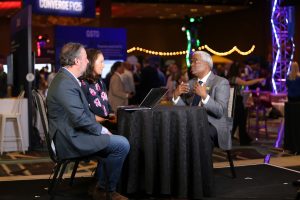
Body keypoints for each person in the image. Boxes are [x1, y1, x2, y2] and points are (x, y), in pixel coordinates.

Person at [46, 43, 130, 200]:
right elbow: (80, 118)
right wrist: (102, 130)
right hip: (69, 139)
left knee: (116, 141)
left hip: (70, 133)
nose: (87, 62)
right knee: (122, 144)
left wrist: (101, 129)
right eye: (85, 59)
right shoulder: (65, 83)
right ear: (77, 61)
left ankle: (101, 186)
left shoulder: (66, 79)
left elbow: (82, 115)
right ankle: (107, 191)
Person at [173, 51, 231, 150]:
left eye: (195, 61)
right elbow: (186, 110)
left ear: (207, 64)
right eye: (191, 62)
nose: (191, 64)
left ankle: (201, 165)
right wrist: (176, 96)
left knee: (200, 132)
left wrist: (204, 96)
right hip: (193, 122)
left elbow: (220, 111)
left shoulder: (221, 82)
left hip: (214, 124)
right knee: (174, 128)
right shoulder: (191, 83)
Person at [227, 62, 266, 145]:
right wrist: (258, 80)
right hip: (237, 101)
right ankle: (242, 140)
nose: (242, 70)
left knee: (236, 121)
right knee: (240, 121)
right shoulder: (235, 79)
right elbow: (246, 83)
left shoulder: (230, 78)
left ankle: (236, 139)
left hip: (233, 100)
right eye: (240, 69)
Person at [80, 48, 117, 132]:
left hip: (106, 124)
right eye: (101, 62)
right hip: (94, 128)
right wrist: (106, 121)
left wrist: (112, 115)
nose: (103, 65)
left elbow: (107, 105)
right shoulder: (82, 84)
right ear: (91, 62)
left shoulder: (100, 82)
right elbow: (84, 114)